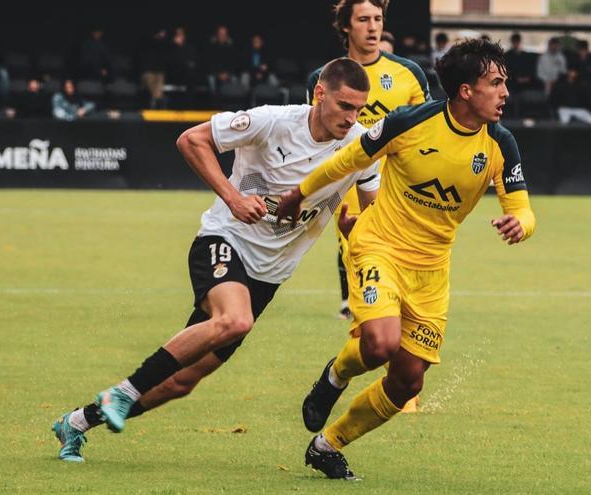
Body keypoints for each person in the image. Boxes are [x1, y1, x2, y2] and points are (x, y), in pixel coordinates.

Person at [50, 58, 380, 462]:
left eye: (359, 109)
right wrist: (233, 197)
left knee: (179, 383)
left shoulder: (362, 146)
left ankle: (77, 422)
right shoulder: (273, 121)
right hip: (224, 241)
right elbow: (191, 140)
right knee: (234, 320)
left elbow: (372, 217)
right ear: (320, 94)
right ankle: (122, 394)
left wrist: (355, 228)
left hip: (268, 277)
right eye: (345, 106)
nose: (352, 118)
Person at [276, 38, 536, 480]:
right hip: (379, 245)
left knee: (408, 382)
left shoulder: (500, 143)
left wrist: (521, 225)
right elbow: (346, 162)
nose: (505, 92)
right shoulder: (410, 122)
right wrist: (298, 194)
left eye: (505, 82)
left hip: (432, 272)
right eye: (495, 82)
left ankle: (327, 445)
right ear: (466, 91)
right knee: (379, 343)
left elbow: (523, 209)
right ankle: (335, 376)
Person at [306, 0, 430, 413]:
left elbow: (427, 133)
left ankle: (400, 378)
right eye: (363, 20)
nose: (373, 27)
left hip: (404, 202)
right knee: (368, 288)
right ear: (346, 27)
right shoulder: (325, 79)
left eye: (378, 19)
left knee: (411, 286)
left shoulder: (408, 74)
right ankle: (380, 381)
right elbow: (320, 140)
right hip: (353, 200)